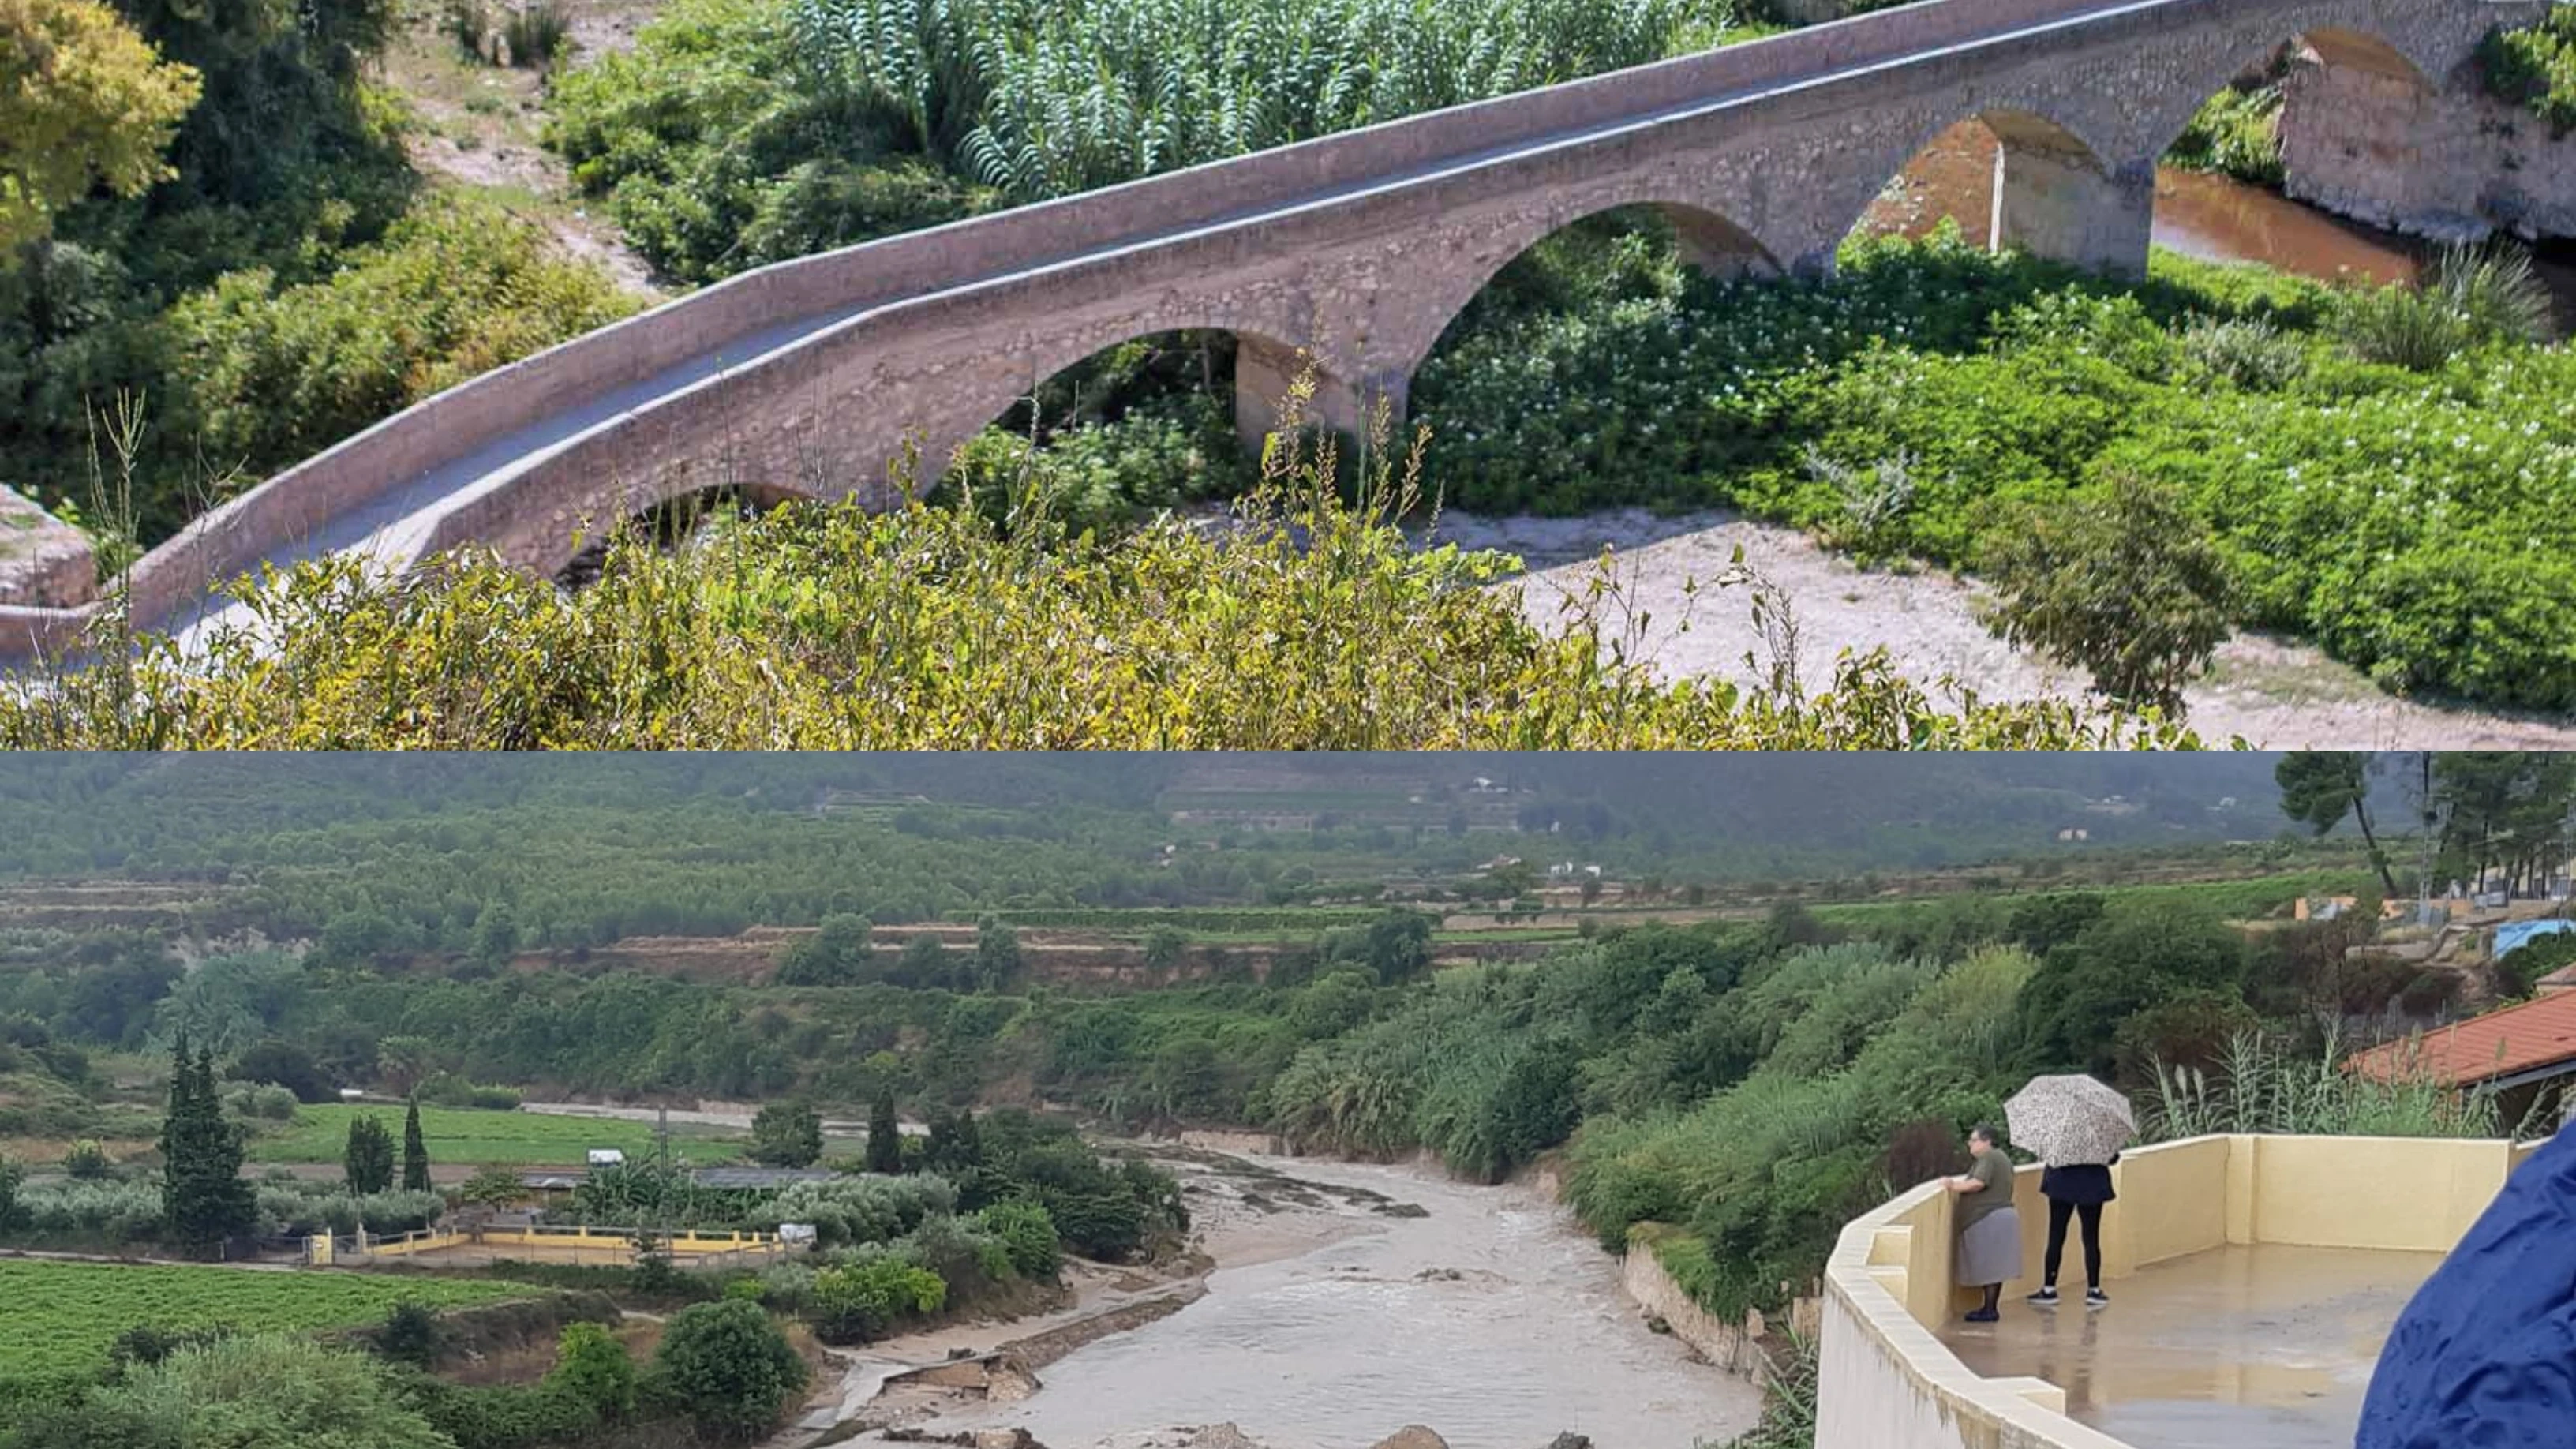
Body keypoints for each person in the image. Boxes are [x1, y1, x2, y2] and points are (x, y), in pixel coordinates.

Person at [1945, 1124, 2020, 1323]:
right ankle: (1989, 1307)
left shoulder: (1989, 1157)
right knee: (1994, 1267)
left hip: (1989, 1216)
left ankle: (1989, 1309)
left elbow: (1978, 1182)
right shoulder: (2001, 1158)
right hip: (2000, 1216)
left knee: (1989, 1266)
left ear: (1986, 1141)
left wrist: (1953, 1186)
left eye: (1974, 1139)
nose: (1970, 1144)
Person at [2027, 1152, 2117, 1309]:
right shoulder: (2098, 1135)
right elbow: (2113, 1159)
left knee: (2056, 1236)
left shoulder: (2061, 1135)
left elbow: (2050, 1157)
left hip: (2061, 1186)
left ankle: (2049, 1288)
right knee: (2091, 1238)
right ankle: (2094, 1290)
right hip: (2092, 1187)